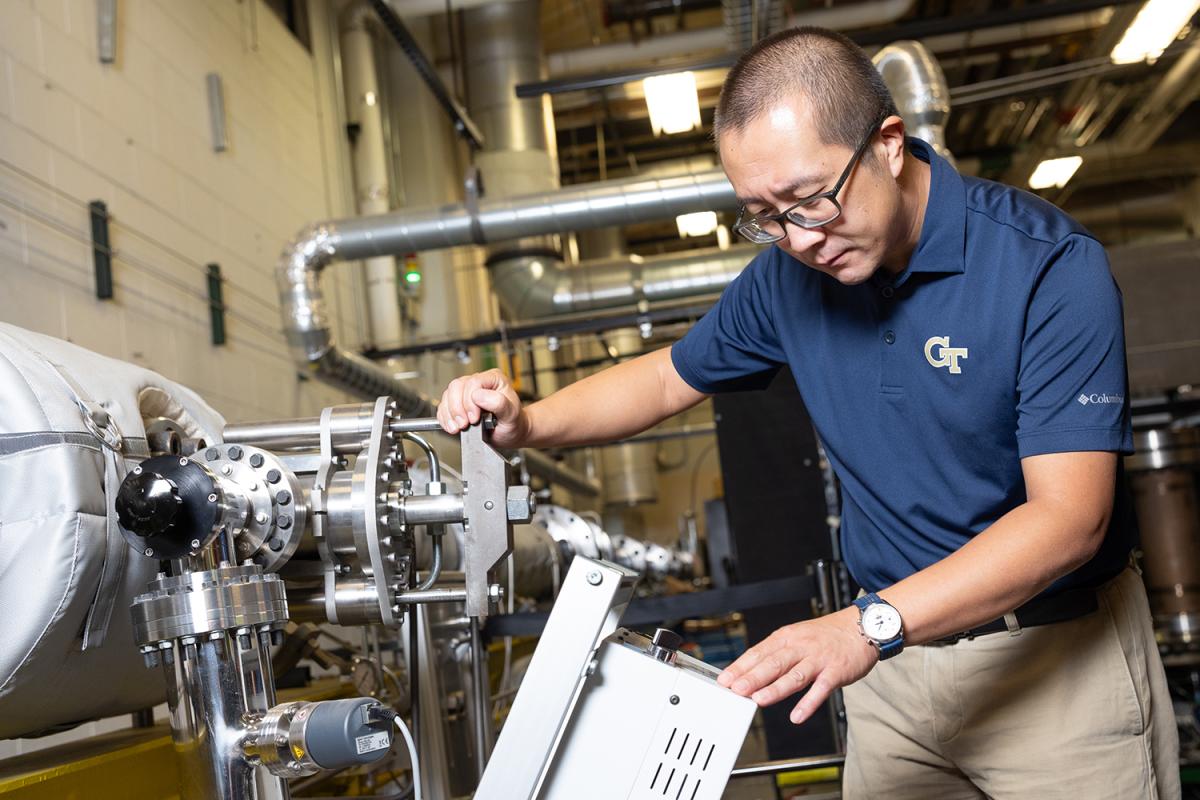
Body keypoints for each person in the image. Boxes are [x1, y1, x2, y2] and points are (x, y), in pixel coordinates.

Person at [438, 26, 1178, 799]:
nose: (798, 240)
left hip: (1053, 663)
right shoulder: (785, 280)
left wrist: (865, 626)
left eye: (810, 200)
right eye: (763, 216)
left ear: (889, 143)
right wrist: (529, 423)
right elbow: (665, 379)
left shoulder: (1047, 267)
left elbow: (1069, 520)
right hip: (894, 678)